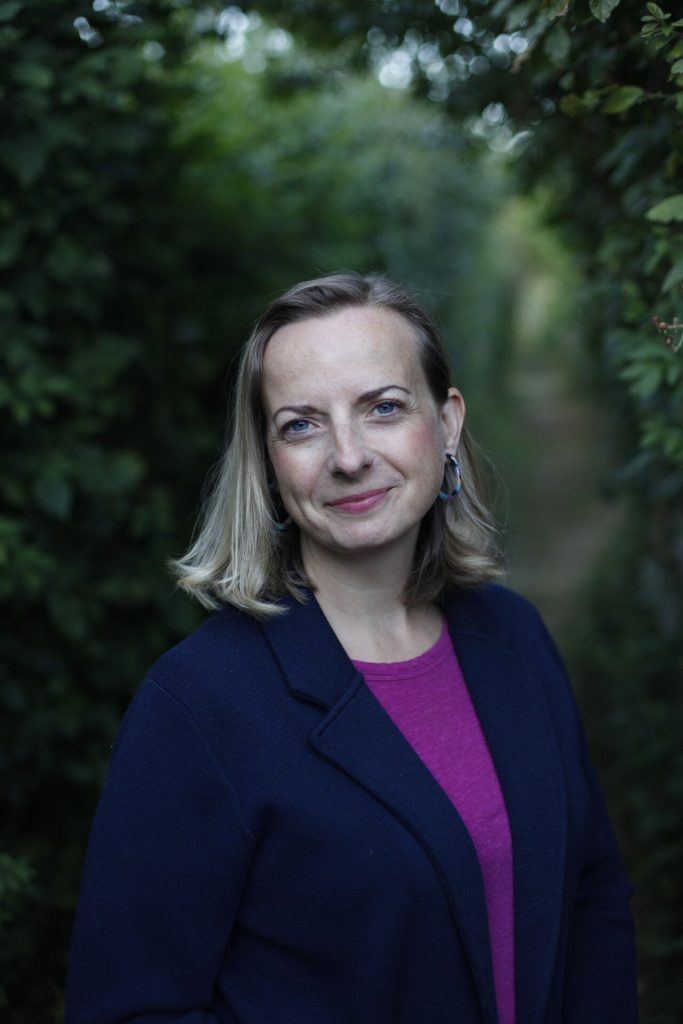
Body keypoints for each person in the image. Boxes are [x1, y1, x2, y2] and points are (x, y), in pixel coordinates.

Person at [66, 272, 638, 1024]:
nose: (346, 455)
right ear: (269, 462)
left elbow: (589, 896)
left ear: (447, 422)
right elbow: (129, 1010)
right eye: (301, 425)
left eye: (383, 408)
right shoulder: (199, 706)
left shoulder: (514, 637)